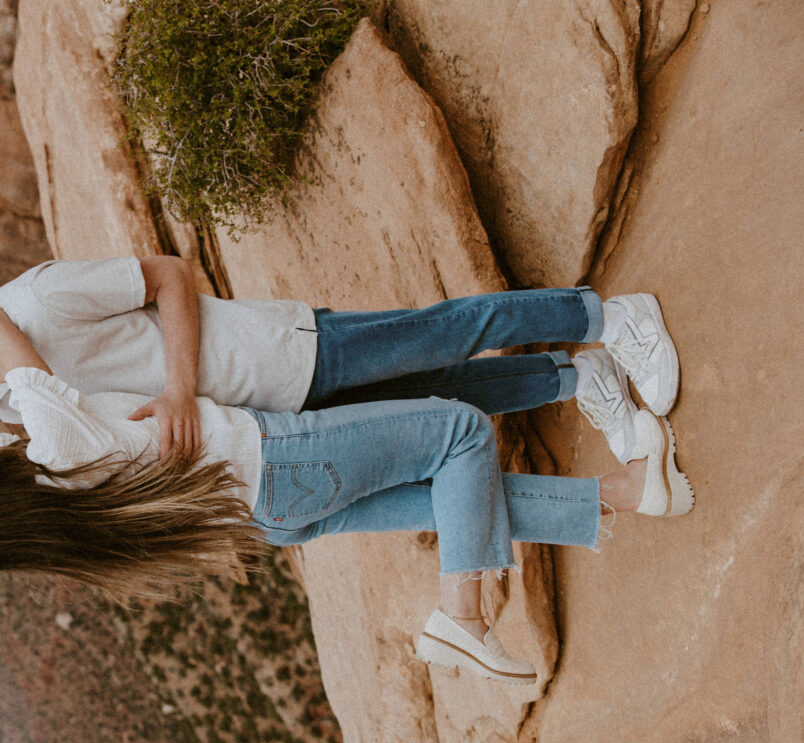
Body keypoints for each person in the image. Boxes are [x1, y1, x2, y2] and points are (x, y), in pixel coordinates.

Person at [0, 257, 693, 683]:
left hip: (275, 385)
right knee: (455, 431)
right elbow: (42, 394)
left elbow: (169, 275)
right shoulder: (46, 437)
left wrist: (182, 390)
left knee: (442, 424)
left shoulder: (53, 507)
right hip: (270, 445)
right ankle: (604, 320)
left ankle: (605, 437)